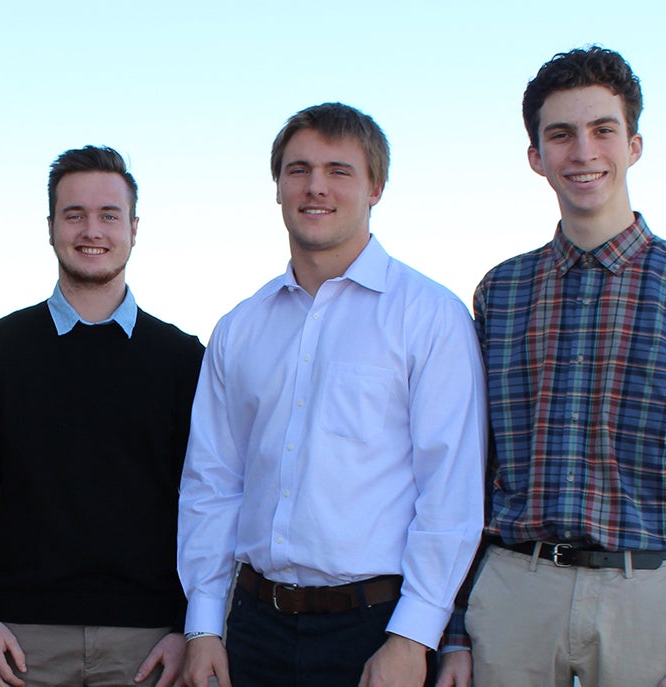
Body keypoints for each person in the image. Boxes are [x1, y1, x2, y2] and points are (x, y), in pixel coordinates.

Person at [437, 46, 666, 687]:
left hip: (651, 600)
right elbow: (471, 471)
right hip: (514, 596)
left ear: (633, 145)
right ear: (537, 157)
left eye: (602, 130)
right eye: (561, 135)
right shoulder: (501, 291)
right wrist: (454, 631)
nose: (583, 152)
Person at [177, 103, 487, 687]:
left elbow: (450, 493)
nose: (316, 186)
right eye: (298, 169)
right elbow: (212, 485)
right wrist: (203, 627)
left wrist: (412, 638)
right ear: (277, 187)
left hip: (374, 631)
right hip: (252, 629)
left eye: (339, 170)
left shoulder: (429, 317)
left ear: (376, 187)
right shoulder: (240, 327)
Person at [0, 145, 204, 687]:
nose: (93, 230)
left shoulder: (183, 359)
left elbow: (206, 499)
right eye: (75, 214)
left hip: (151, 641)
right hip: (22, 639)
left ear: (134, 227)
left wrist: (192, 627)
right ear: (50, 227)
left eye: (110, 215)